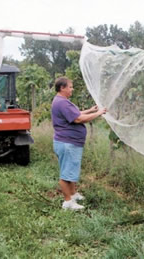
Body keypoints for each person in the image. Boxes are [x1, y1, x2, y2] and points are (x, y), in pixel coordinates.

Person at [52, 77, 107, 210]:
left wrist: (91, 110)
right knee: (66, 173)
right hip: (67, 143)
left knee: (71, 171)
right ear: (62, 88)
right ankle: (68, 202)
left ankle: (73, 194)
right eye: (70, 87)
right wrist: (99, 113)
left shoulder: (61, 101)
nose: (72, 89)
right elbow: (77, 118)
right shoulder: (62, 103)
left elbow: (75, 114)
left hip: (68, 142)